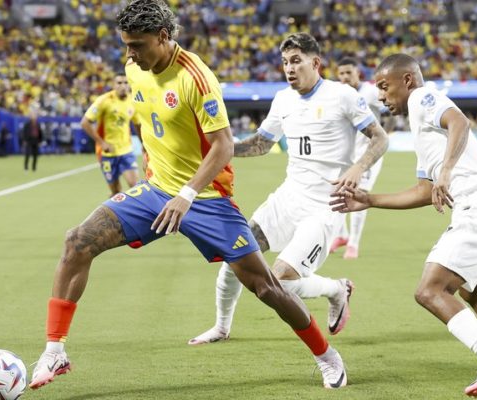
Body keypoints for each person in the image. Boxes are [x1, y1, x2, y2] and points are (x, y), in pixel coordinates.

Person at [29, 0, 350, 391]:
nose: (129, 54)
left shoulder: (196, 78)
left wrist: (186, 194)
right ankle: (54, 350)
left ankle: (326, 356)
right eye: (126, 45)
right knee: (77, 241)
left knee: (266, 286)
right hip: (154, 193)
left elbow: (224, 146)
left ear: (163, 38)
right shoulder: (134, 69)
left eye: (137, 45)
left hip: (208, 200)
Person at [331, 54, 477, 397]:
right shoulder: (420, 124)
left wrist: (449, 170)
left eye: (384, 86)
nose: (380, 95)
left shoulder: (425, 98)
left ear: (407, 80)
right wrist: (369, 199)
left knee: (430, 290)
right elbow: (425, 191)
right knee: (471, 289)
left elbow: (460, 123)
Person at [188, 34, 388, 346]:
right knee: (235, 256)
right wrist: (220, 150)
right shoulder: (283, 99)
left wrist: (357, 168)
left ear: (315, 63)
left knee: (277, 281)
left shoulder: (342, 96)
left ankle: (336, 289)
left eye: (296, 61)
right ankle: (221, 327)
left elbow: (380, 138)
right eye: (284, 63)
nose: (289, 68)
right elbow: (260, 144)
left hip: (324, 207)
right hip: (287, 199)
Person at [330, 57, 394, 259]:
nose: (345, 77)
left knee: (359, 195)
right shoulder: (339, 94)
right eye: (341, 73)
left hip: (368, 155)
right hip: (346, 154)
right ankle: (341, 236)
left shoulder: (371, 91)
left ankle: (353, 245)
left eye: (349, 72)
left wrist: (384, 136)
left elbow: (390, 111)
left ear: (358, 72)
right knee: (337, 192)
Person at [81, 74, 141, 195]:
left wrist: (144, 144)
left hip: (126, 151)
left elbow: (137, 124)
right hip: (107, 153)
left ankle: (134, 213)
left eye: (125, 82)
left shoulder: (133, 101)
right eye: (119, 83)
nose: (123, 86)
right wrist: (101, 143)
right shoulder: (104, 101)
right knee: (116, 191)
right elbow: (85, 123)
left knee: (135, 187)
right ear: (114, 85)